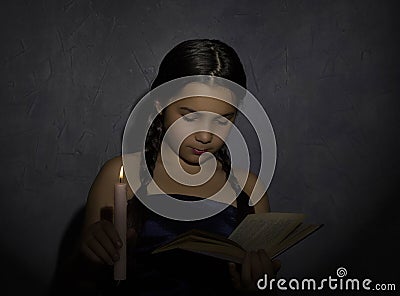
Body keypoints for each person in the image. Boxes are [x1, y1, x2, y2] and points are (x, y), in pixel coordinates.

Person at [51, 39, 281, 296]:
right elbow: (79, 287)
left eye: (222, 120)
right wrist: (86, 261)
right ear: (160, 103)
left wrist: (259, 287)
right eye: (190, 115)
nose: (205, 136)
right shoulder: (120, 177)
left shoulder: (249, 190)